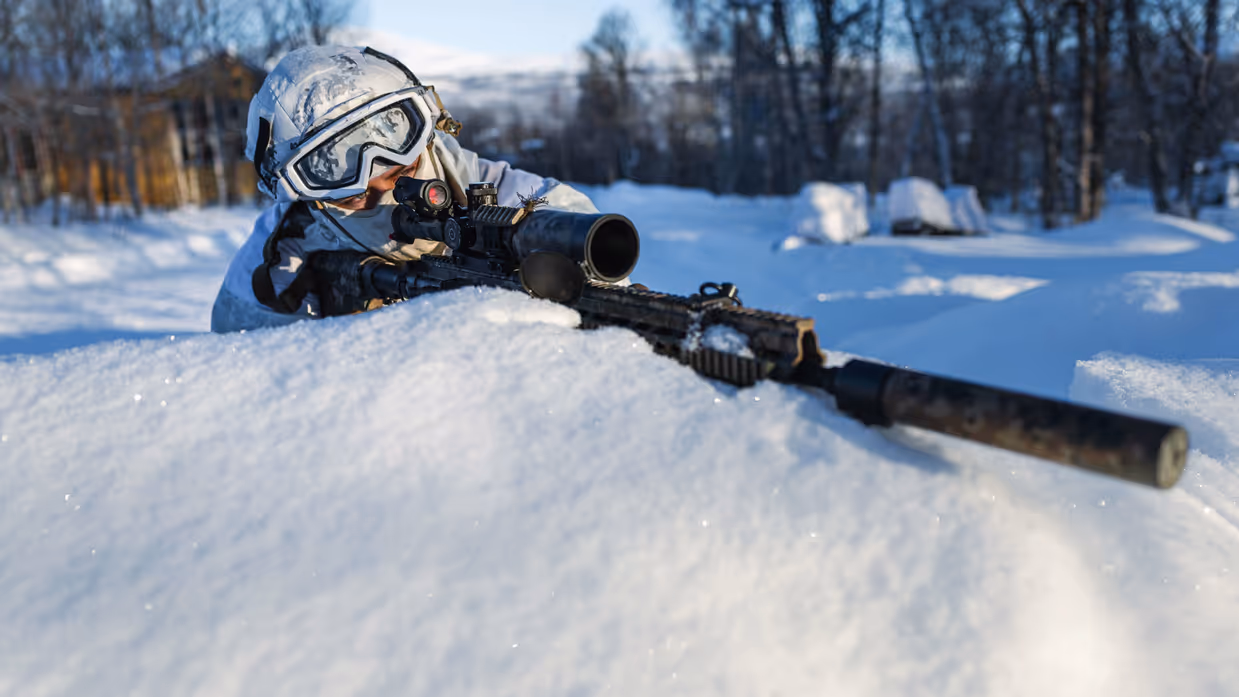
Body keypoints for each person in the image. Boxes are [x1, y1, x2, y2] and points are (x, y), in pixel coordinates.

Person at [211, 45, 599, 333]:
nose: (388, 192)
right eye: (355, 194)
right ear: (306, 197)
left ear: (429, 128)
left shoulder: (531, 207)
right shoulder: (274, 270)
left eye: (404, 168)